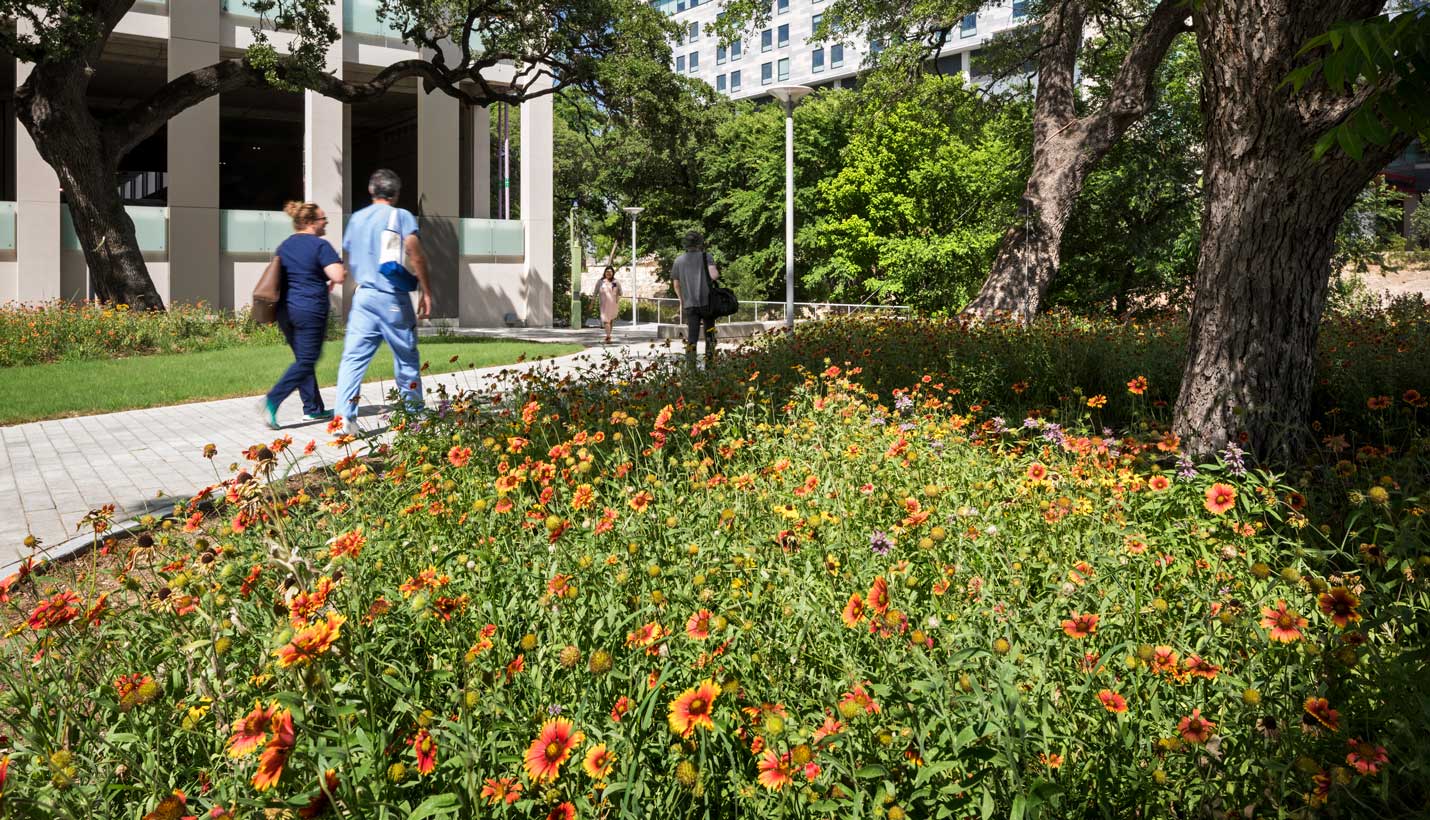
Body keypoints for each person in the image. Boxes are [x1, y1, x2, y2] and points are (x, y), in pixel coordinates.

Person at [334, 169, 432, 433]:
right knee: (406, 358)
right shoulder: (401, 216)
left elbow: (351, 252)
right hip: (392, 298)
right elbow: (415, 252)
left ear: (371, 190)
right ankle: (413, 416)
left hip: (364, 296)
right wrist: (426, 289)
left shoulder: (356, 218)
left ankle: (343, 418)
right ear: (396, 193)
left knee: (353, 359)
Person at [261, 201, 345, 429]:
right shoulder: (320, 245)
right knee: (308, 359)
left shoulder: (285, 245)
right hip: (309, 309)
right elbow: (337, 276)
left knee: (303, 360)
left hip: (285, 312)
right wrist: (339, 265)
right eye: (322, 219)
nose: (325, 222)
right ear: (309, 222)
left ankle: (313, 409)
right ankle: (272, 399)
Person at [671, 231, 719, 369]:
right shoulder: (707, 257)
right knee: (710, 336)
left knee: (692, 338)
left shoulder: (678, 261)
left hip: (690, 304)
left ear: (685, 244)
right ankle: (710, 367)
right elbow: (714, 276)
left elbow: (676, 285)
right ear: (700, 243)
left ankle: (691, 368)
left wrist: (682, 300)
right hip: (707, 303)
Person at [596, 266, 622, 343]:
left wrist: (617, 297)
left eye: (610, 272)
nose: (609, 273)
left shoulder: (616, 282)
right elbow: (595, 292)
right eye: (607, 272)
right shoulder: (600, 282)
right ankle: (608, 336)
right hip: (603, 304)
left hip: (613, 304)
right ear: (604, 273)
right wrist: (592, 302)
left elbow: (620, 292)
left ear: (613, 273)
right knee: (605, 320)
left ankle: (608, 335)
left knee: (610, 320)